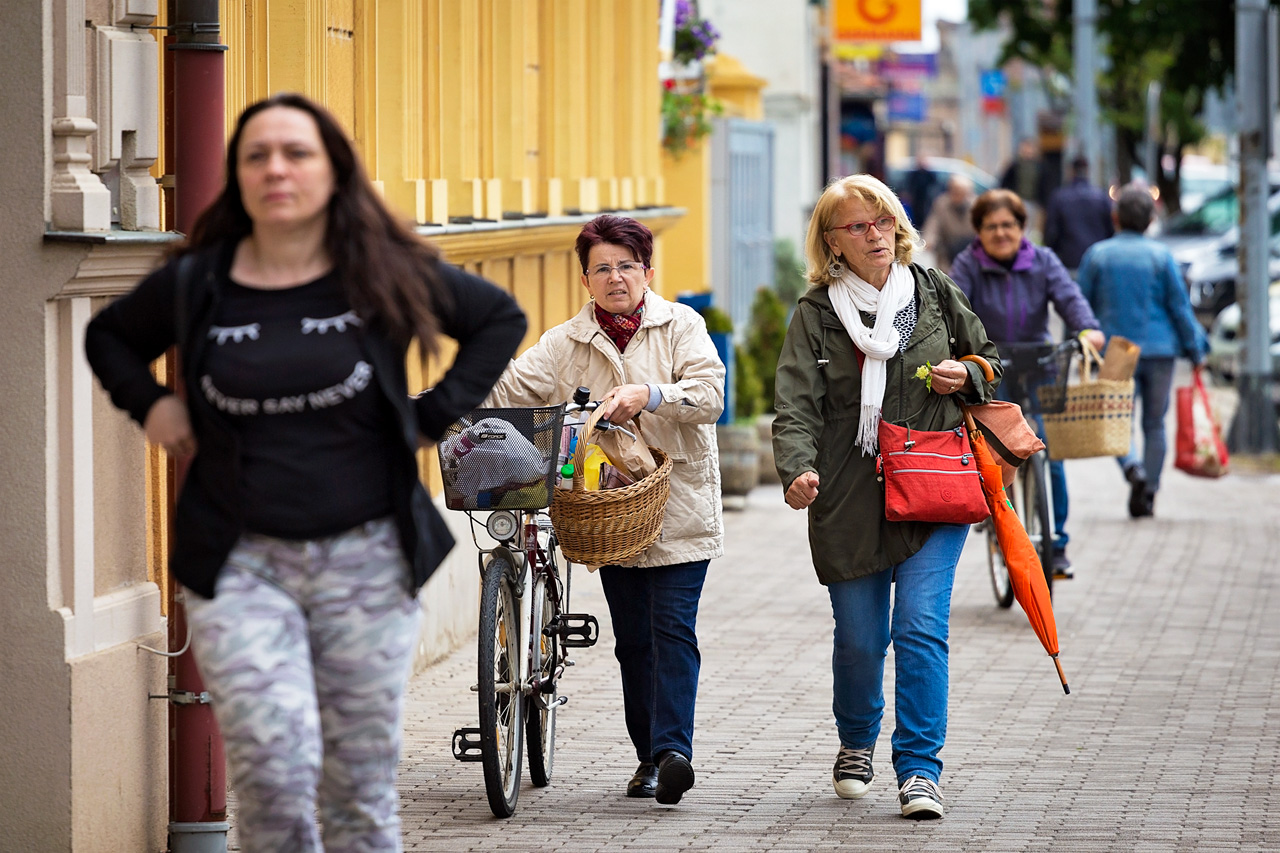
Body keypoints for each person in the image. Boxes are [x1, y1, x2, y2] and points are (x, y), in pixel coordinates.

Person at [84, 93, 527, 852]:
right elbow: (111, 339)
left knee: (357, 793)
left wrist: (431, 414)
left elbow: (497, 319)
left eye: (297, 153)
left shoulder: (378, 270)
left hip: (367, 560)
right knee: (274, 774)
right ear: (237, 175)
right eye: (256, 156)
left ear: (333, 171)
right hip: (240, 565)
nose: (276, 169)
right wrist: (152, 405)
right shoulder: (200, 281)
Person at [772, 174, 1002, 820]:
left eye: (882, 221)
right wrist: (797, 469)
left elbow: (988, 360)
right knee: (860, 638)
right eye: (857, 225)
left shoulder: (932, 292)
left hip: (933, 487)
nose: (875, 234)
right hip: (849, 495)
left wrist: (968, 373)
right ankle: (856, 740)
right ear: (832, 242)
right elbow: (795, 404)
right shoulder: (817, 314)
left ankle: (920, 769)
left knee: (919, 628)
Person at [484, 214, 725, 806]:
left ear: (647, 272)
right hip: (606, 512)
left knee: (672, 629)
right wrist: (443, 399)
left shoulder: (681, 326)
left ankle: (673, 753)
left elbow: (711, 395)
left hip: (678, 504)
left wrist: (651, 395)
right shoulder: (565, 343)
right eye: (602, 269)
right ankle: (649, 757)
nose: (616, 278)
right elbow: (511, 390)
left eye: (626, 266)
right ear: (585, 280)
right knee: (634, 641)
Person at [949, 189, 1106, 578]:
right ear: (979, 231)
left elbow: (1069, 298)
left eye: (1008, 225)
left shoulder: (1044, 260)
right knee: (997, 454)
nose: (1000, 233)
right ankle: (1004, 529)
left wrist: (1087, 328)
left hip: (1040, 364)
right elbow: (952, 308)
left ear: (1022, 227)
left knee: (1049, 451)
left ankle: (1057, 543)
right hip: (990, 368)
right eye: (991, 227)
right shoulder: (967, 265)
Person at [1077, 185, 1208, 518]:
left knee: (1115, 419)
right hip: (1161, 349)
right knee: (1155, 424)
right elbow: (1179, 308)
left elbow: (1080, 307)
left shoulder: (1097, 255)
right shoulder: (1162, 256)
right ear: (1151, 219)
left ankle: (1132, 467)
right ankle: (1149, 490)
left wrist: (1078, 346)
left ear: (1115, 218)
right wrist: (1195, 350)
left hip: (1117, 351)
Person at [1044, 155, 1114, 275]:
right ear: (1088, 171)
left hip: (1069, 263)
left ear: (1070, 171)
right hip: (1097, 263)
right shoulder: (1101, 197)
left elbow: (1051, 234)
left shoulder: (1059, 197)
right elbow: (1110, 230)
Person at [921, 173, 976, 275]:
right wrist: (929, 239)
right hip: (947, 248)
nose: (958, 195)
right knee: (947, 276)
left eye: (961, 192)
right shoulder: (942, 203)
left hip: (969, 249)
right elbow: (933, 223)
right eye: (955, 191)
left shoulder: (976, 206)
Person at [999, 138, 1053, 236]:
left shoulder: (1040, 166)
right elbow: (1005, 183)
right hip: (1018, 200)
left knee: (1032, 227)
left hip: (1034, 201)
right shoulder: (1015, 165)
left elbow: (1045, 185)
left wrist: (1044, 203)